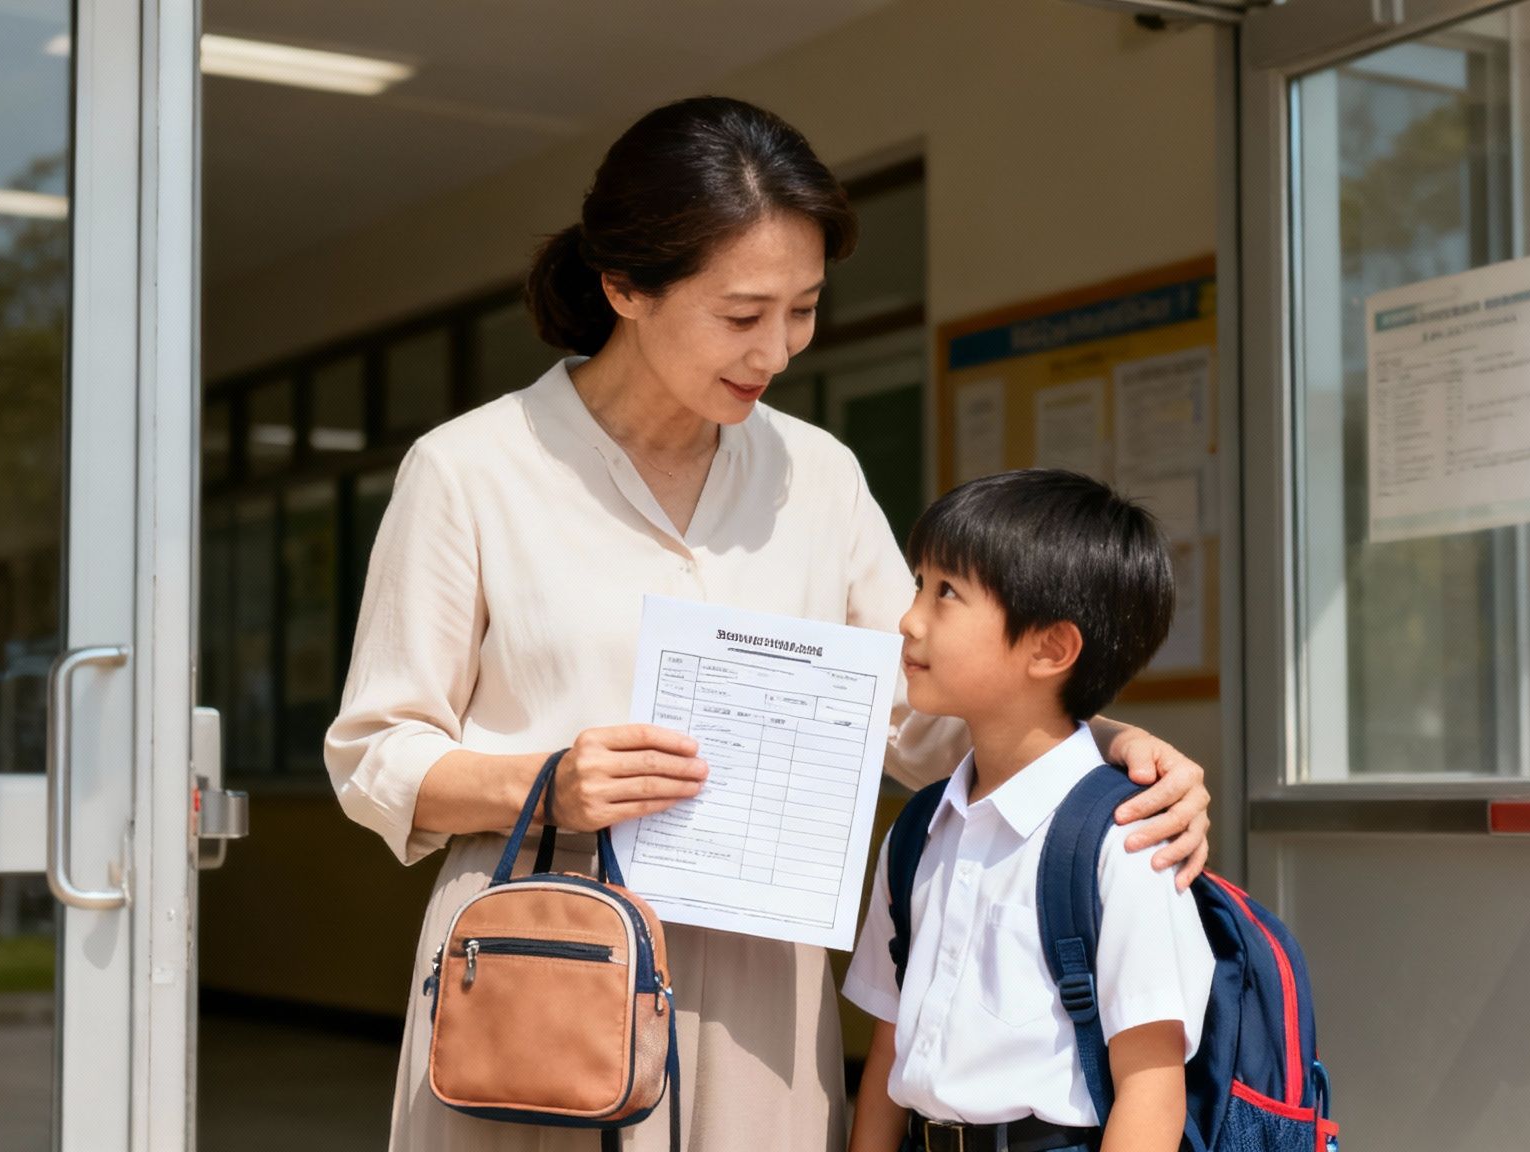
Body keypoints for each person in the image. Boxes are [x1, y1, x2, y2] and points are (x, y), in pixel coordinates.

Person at [323, 95, 1214, 1152]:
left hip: (755, 984)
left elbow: (923, 710)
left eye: (803, 310)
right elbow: (375, 755)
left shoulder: (817, 476)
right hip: (546, 957)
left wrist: (1106, 752)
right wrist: (546, 782)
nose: (778, 351)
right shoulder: (470, 471)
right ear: (625, 288)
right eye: (742, 316)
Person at [843, 470, 1214, 1152]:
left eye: (945, 592)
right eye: (918, 584)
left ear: (1050, 648)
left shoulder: (1123, 844)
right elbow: (889, 1049)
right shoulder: (917, 832)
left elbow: (1151, 1088)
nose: (908, 618)